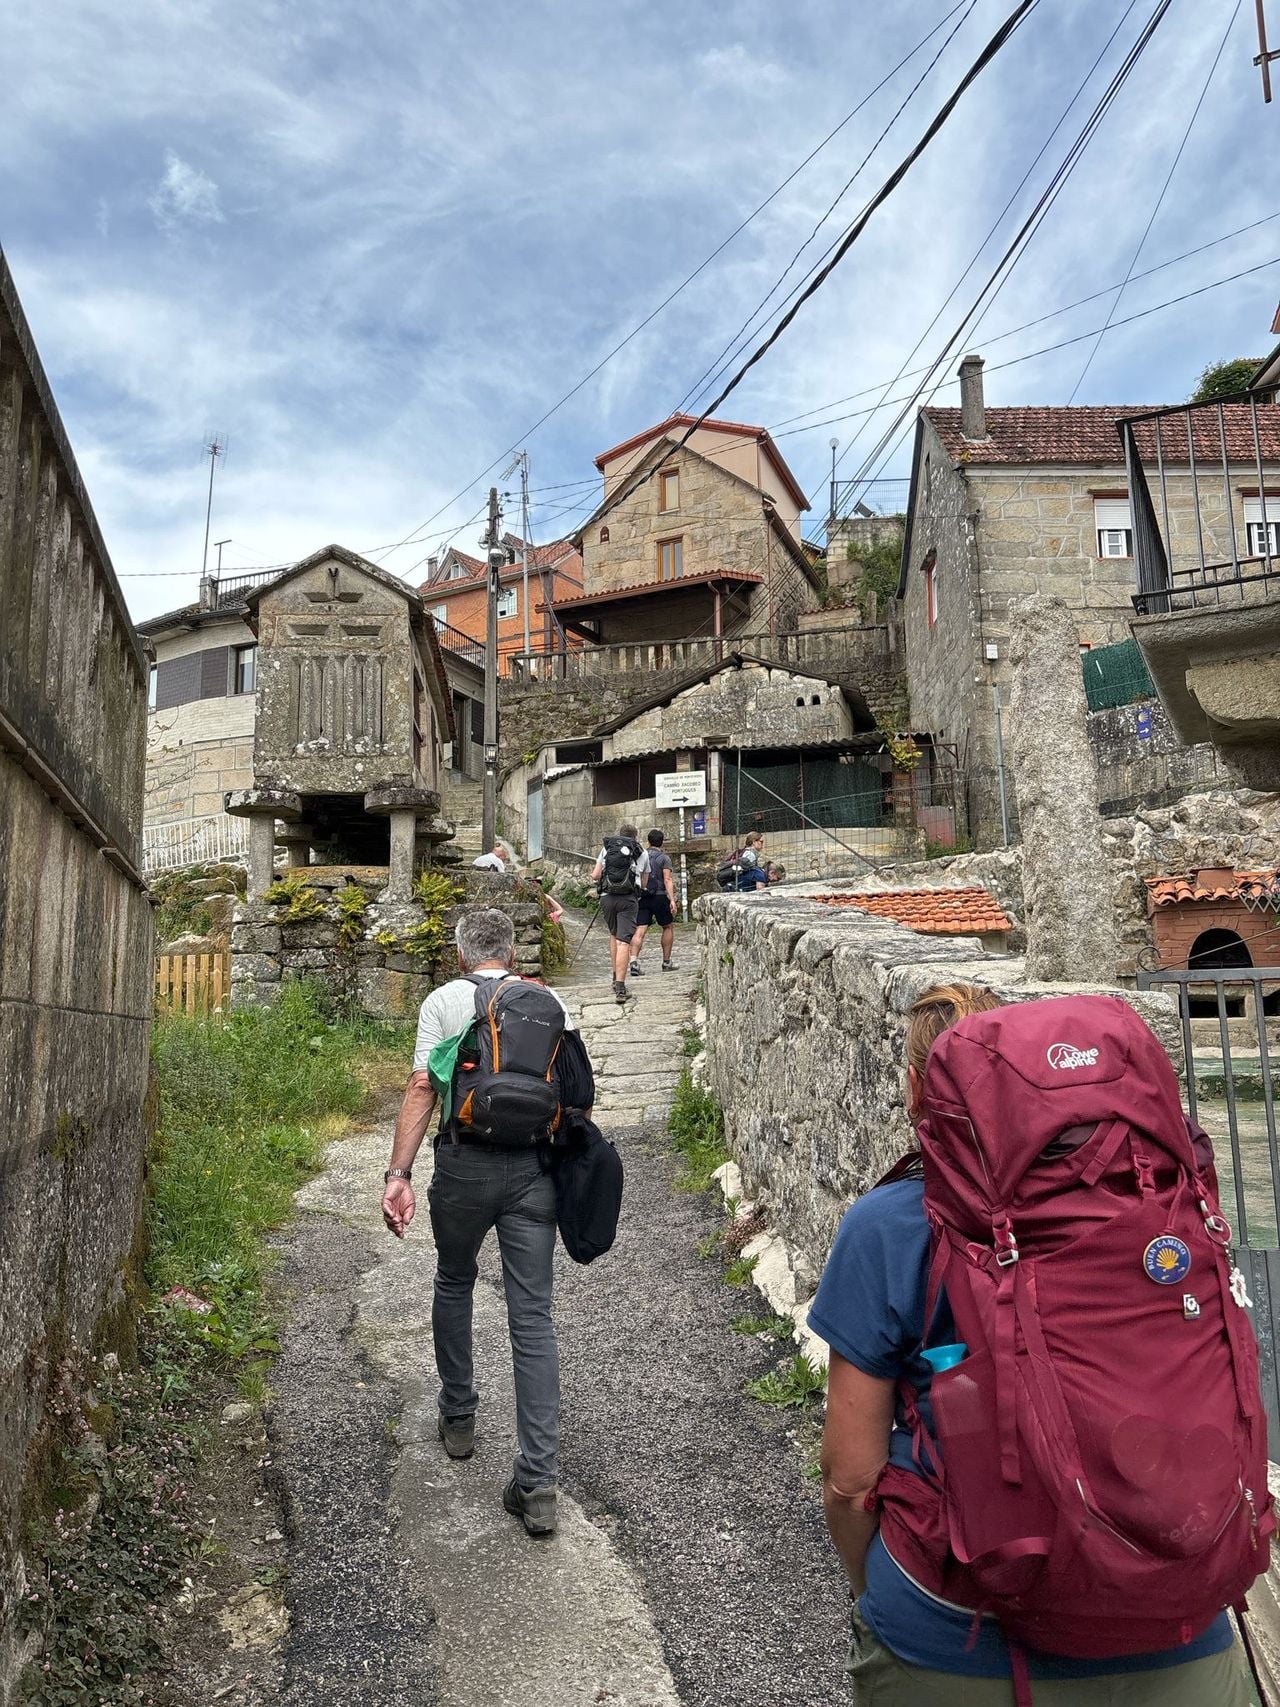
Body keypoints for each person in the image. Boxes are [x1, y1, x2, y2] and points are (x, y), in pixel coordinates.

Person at [809, 983, 1252, 1705]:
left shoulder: (887, 1224)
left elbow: (850, 1478)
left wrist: (879, 1593)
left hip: (954, 1636)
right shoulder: (1159, 1206)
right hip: (1176, 1625)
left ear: (920, 1090)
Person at [381, 907, 595, 1540]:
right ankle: (538, 1483)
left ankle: (459, 1416)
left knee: (454, 1280)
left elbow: (423, 1088)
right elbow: (578, 1093)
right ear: (512, 953)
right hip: (533, 1172)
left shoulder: (444, 1001)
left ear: (459, 955)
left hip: (464, 1167)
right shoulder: (549, 1002)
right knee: (533, 1318)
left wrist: (399, 1174)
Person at [591, 822, 648, 1003]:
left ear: (619, 834)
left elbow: (595, 875)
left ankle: (615, 976)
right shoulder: (641, 852)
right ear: (635, 836)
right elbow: (644, 884)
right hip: (628, 899)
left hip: (607, 898)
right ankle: (621, 988)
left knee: (614, 935)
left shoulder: (607, 848)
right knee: (624, 942)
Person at [629, 828, 678, 975]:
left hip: (643, 896)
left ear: (648, 841)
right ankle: (666, 962)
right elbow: (667, 879)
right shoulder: (664, 858)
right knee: (667, 927)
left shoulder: (640, 856)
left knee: (640, 929)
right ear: (661, 842)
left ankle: (634, 962)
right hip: (660, 896)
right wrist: (672, 900)